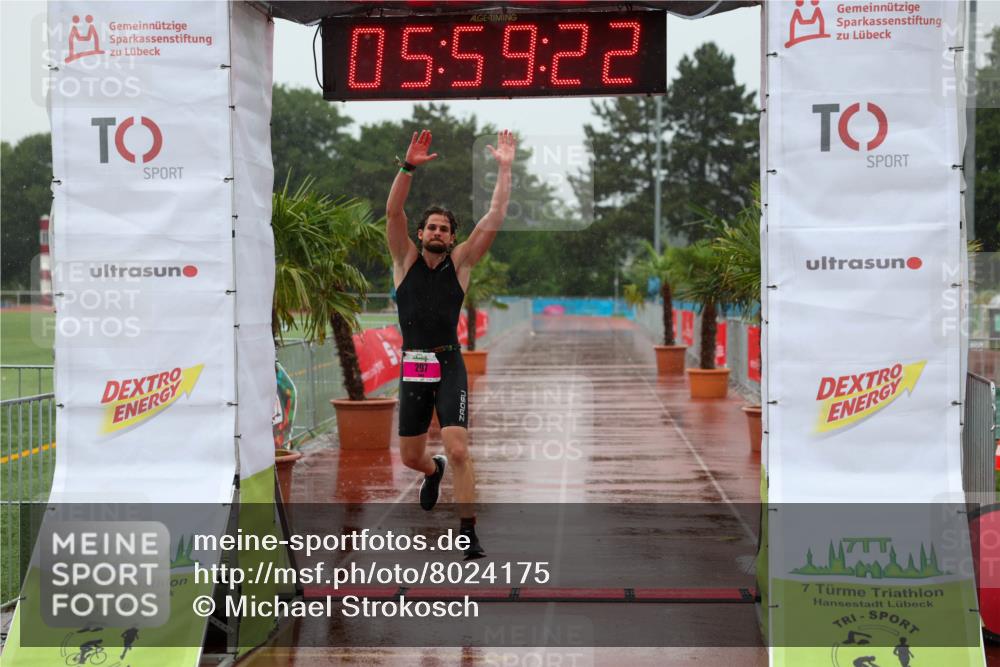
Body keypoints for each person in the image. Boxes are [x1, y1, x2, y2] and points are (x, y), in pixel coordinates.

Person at [385, 128, 515, 560]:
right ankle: (432, 470)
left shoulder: (461, 264)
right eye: (431, 227)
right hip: (414, 365)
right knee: (410, 458)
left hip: (448, 363)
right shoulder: (404, 261)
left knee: (458, 447)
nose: (437, 232)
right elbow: (393, 212)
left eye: (445, 228)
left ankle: (467, 530)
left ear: (452, 237)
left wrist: (504, 168)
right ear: (420, 233)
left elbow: (495, 214)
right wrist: (407, 168)